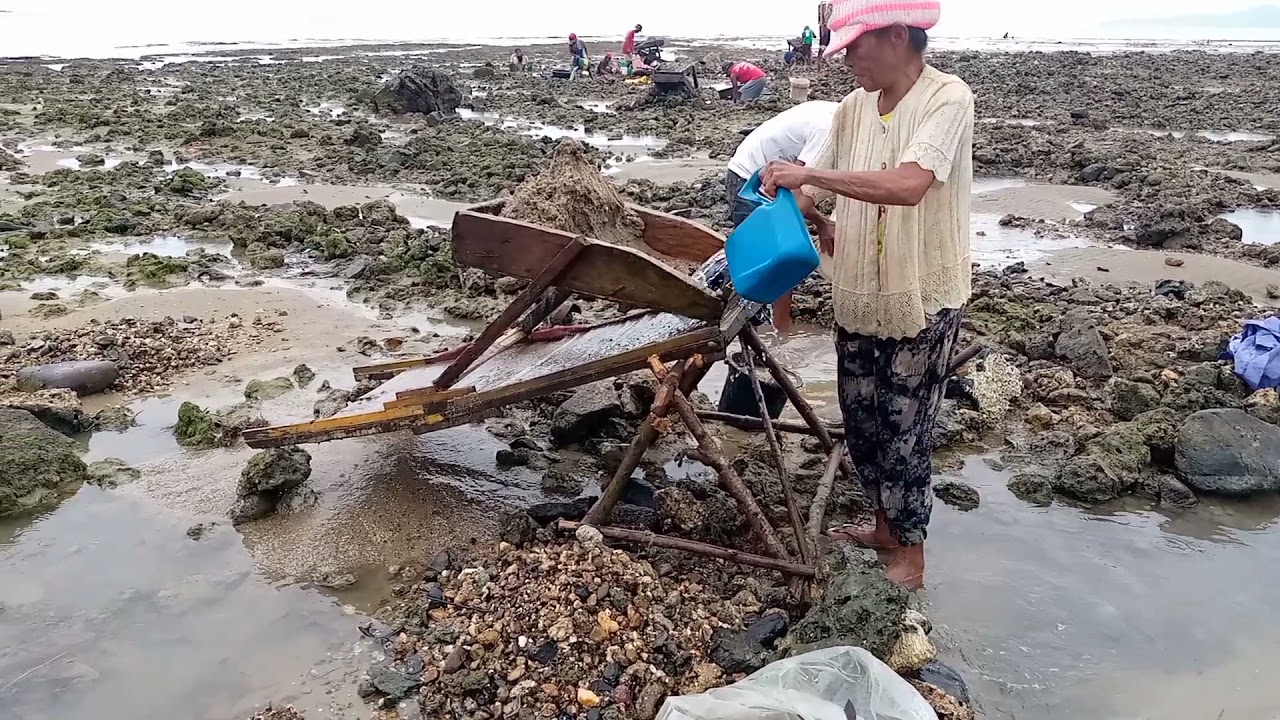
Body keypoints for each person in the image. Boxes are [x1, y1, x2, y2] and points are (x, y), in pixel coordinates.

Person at [761, 0, 974, 590]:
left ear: (898, 35)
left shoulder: (947, 98)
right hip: (858, 292)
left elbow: (909, 186)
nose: (847, 58)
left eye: (855, 45)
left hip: (919, 296)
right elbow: (806, 193)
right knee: (861, 422)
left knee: (905, 428)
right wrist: (776, 206)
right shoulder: (852, 109)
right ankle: (883, 526)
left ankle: (911, 554)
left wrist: (811, 179)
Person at [716, 100, 838, 331]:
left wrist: (822, 224)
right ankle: (762, 329)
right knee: (773, 259)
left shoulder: (834, 113)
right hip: (749, 177)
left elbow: (795, 193)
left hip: (770, 178)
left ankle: (778, 329)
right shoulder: (829, 130)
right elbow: (797, 194)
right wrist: (823, 225)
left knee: (781, 258)